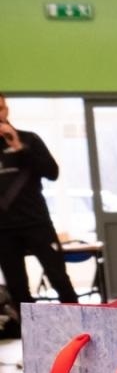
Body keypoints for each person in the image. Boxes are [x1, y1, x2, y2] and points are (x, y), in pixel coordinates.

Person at [0, 93, 79, 322]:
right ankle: (32, 340)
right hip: (5, 231)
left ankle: (81, 329)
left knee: (60, 279)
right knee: (18, 291)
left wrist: (19, 147)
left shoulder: (29, 140)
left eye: (2, 108)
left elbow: (52, 173)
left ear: (7, 110)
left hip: (37, 224)